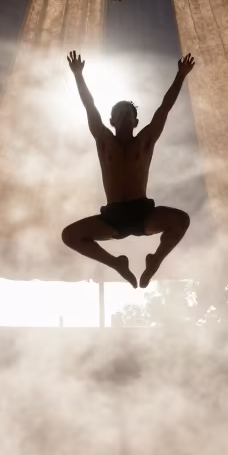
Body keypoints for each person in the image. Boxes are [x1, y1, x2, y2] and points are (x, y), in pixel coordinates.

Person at [60, 50, 194, 288]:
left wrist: (181, 75)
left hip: (142, 211)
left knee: (181, 220)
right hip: (113, 216)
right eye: (118, 113)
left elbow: (164, 109)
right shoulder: (103, 140)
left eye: (128, 113)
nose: (123, 116)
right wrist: (78, 75)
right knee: (69, 236)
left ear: (135, 121)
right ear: (110, 121)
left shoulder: (145, 141)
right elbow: (89, 107)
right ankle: (116, 264)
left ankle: (155, 260)